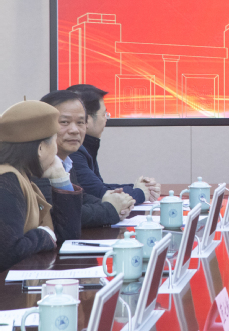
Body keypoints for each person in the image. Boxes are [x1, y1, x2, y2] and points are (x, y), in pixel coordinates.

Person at [0, 101, 83, 271]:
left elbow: (67, 238)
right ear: (40, 148)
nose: (56, 150)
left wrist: (61, 180)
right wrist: (42, 235)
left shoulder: (21, 175)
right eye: (54, 142)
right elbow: (7, 253)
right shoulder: (6, 181)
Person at [39, 91, 134, 227]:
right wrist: (110, 209)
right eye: (64, 122)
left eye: (80, 122)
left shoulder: (66, 161)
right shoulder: (38, 165)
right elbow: (62, 216)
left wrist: (114, 202)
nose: (74, 130)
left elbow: (80, 199)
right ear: (43, 125)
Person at [66, 84, 160, 203]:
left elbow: (100, 187)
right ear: (86, 120)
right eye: (104, 114)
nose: (106, 119)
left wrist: (139, 188)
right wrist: (140, 193)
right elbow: (100, 194)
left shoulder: (85, 147)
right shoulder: (73, 151)